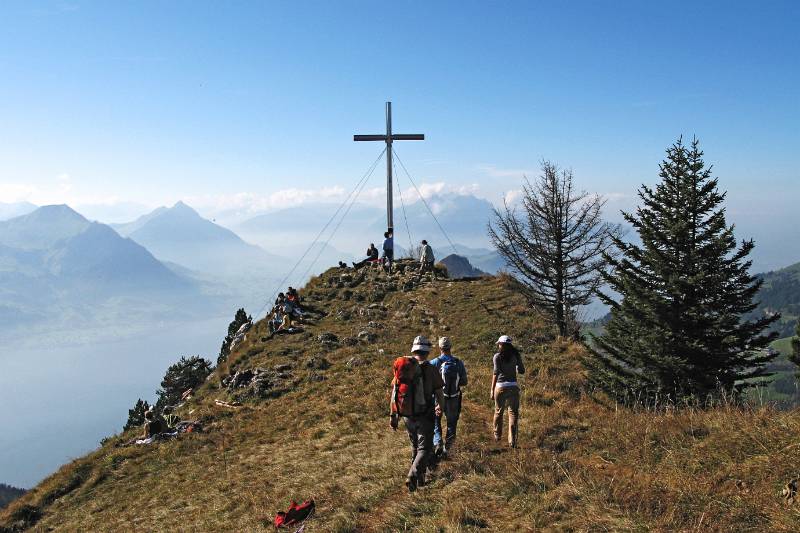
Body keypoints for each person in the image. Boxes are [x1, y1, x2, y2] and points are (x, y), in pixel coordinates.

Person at [389, 335, 444, 492]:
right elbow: (439, 392)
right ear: (427, 352)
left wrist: (393, 416)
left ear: (414, 350)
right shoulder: (431, 369)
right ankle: (413, 476)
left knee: (415, 446)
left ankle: (420, 481)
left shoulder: (404, 368)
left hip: (407, 416)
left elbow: (394, 393)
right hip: (424, 415)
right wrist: (441, 407)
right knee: (424, 449)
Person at [429, 337, 467, 458]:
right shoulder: (458, 362)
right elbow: (464, 381)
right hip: (454, 397)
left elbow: (428, 381)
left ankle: (438, 442)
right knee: (451, 423)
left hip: (438, 397)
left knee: (436, 421)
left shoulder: (434, 363)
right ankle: (448, 449)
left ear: (440, 348)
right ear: (450, 347)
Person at [491, 335, 525, 448]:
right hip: (513, 387)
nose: (498, 345)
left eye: (499, 344)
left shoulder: (497, 357)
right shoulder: (516, 355)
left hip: (500, 387)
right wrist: (515, 367)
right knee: (513, 413)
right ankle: (512, 440)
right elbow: (522, 371)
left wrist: (492, 389)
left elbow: (495, 373)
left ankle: (497, 436)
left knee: (498, 411)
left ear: (501, 345)